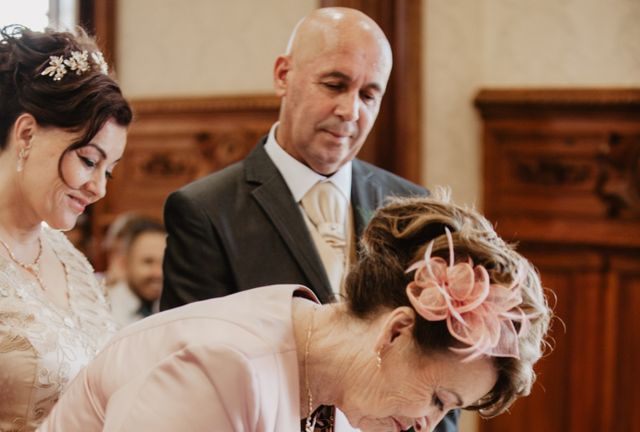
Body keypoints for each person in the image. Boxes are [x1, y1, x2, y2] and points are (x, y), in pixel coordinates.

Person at [39, 192, 552, 432]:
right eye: (440, 399)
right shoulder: (217, 366)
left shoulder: (340, 393)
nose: (428, 425)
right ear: (395, 332)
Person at [161, 6, 426, 305]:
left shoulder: (413, 208)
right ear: (283, 76)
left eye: (368, 96)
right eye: (334, 85)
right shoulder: (205, 211)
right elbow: (193, 346)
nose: (351, 111)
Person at [0, 25, 132, 431]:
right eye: (90, 161)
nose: (98, 189)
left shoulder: (70, 260)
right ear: (26, 134)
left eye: (109, 170)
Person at [107, 216, 166, 327]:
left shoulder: (175, 307)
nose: (158, 273)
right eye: (148, 262)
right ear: (123, 264)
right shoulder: (102, 309)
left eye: (164, 263)